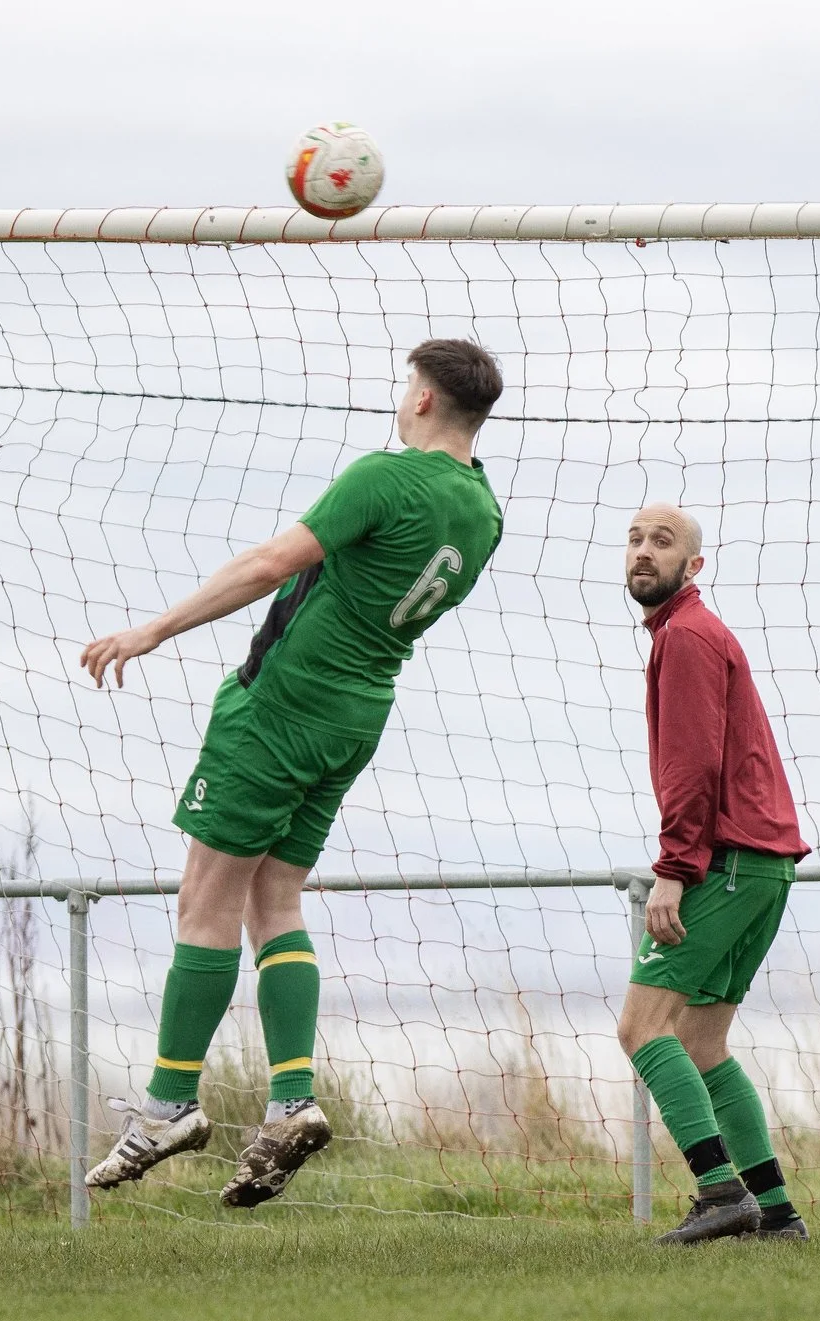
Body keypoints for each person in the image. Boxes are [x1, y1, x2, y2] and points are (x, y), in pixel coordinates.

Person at [78, 340, 506, 1208]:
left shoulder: (388, 478)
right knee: (276, 899)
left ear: (423, 399)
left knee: (207, 898)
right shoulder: (485, 511)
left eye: (405, 385)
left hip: (280, 708)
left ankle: (168, 1105)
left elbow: (273, 564)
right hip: (358, 716)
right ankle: (291, 1099)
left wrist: (152, 632)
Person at [615, 504, 813, 1244]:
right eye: (635, 539)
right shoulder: (685, 633)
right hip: (760, 869)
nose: (643, 551)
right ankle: (776, 1213)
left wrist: (673, 870)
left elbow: (693, 764)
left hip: (727, 863)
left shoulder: (689, 636)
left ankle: (719, 1190)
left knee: (641, 1030)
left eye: (662, 542)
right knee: (699, 1042)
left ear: (693, 566)